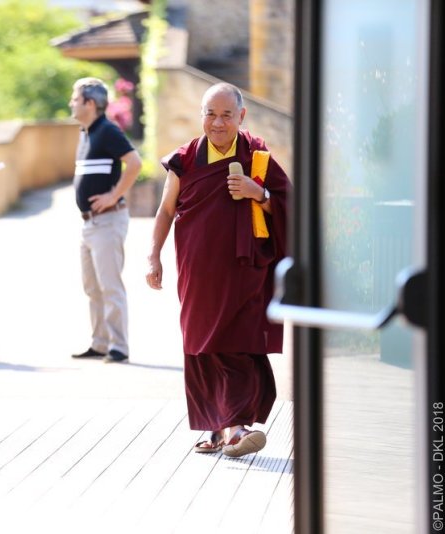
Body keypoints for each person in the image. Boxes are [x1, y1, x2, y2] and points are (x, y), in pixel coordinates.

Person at [146, 82, 292, 457]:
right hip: (199, 270)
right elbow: (165, 211)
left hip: (245, 271)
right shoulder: (186, 159)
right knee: (201, 345)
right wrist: (153, 256)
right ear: (202, 116)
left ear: (241, 117)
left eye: (227, 114)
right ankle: (214, 427)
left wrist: (257, 193)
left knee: (239, 346)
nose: (218, 122)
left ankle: (236, 428)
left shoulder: (257, 157)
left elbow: (290, 205)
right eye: (210, 114)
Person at [68, 77, 142, 364]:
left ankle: (118, 347)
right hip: (88, 223)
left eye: (75, 99)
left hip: (108, 221)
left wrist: (113, 195)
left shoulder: (107, 130)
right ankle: (99, 343)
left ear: (89, 103)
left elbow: (134, 163)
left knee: (110, 285)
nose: (71, 103)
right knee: (92, 286)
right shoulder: (85, 132)